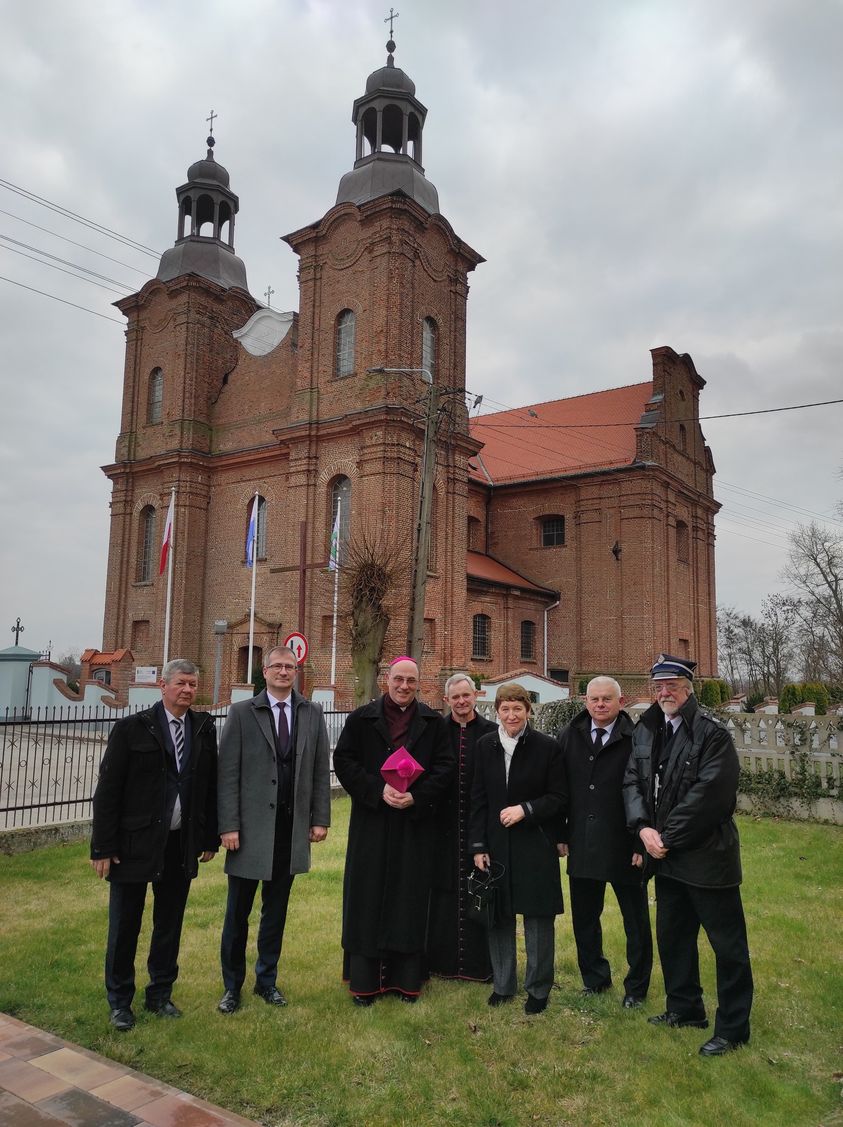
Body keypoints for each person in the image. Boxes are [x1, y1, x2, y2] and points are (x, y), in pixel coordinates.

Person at [623, 654, 753, 1056]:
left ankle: (733, 1028)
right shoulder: (647, 730)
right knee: (673, 937)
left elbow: (710, 796)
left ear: (688, 688)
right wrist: (643, 828)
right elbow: (632, 781)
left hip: (706, 856)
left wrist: (666, 837)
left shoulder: (711, 734)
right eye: (659, 686)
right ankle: (685, 1008)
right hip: (665, 856)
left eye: (673, 686)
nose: (665, 693)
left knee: (727, 947)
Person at [90, 658, 218, 1031]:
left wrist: (208, 838)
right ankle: (120, 1001)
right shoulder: (133, 729)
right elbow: (108, 791)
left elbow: (207, 789)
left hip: (180, 843)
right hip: (134, 843)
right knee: (125, 923)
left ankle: (160, 993)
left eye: (193, 684)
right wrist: (102, 846)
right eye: (181, 683)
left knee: (169, 923)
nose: (188, 690)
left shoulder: (202, 729)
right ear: (163, 685)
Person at [333, 656, 455, 1004]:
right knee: (367, 898)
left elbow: (445, 768)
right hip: (372, 823)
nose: (404, 687)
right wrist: (375, 790)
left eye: (411, 682)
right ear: (387, 679)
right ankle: (365, 983)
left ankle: (405, 981)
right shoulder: (361, 718)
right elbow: (344, 761)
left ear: (419, 684)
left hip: (414, 826)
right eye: (399, 679)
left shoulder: (433, 722)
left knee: (409, 898)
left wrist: (416, 797)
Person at [216, 645, 331, 1013]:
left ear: (296, 672)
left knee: (275, 913)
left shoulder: (311, 713)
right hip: (248, 832)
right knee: (238, 914)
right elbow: (228, 773)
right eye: (277, 666)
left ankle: (267, 980)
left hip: (290, 829)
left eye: (290, 667)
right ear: (263, 671)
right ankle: (232, 987)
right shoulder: (241, 713)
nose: (284, 672)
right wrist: (229, 825)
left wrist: (319, 818)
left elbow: (318, 769)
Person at [469, 682, 566, 1014]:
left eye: (518, 708)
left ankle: (538, 989)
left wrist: (525, 810)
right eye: (505, 709)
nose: (511, 715)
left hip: (535, 842)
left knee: (538, 918)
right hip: (496, 844)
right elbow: (478, 798)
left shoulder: (547, 747)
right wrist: (478, 844)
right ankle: (503, 984)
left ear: (528, 711)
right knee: (499, 915)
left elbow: (558, 798)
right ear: (497, 711)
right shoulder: (485, 746)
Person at [556, 676, 652, 1007]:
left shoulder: (638, 738)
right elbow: (559, 787)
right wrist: (559, 833)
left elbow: (647, 791)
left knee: (635, 921)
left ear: (620, 701)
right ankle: (595, 979)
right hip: (582, 840)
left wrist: (642, 842)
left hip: (625, 843)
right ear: (585, 701)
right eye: (594, 699)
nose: (600, 705)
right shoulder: (571, 735)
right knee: (585, 917)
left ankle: (636, 988)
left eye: (606, 699)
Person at [427, 673, 496, 982]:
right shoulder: (434, 731)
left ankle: (479, 966)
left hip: (479, 825)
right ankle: (442, 963)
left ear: (476, 696)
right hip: (442, 826)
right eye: (455, 697)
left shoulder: (491, 733)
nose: (461, 701)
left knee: (478, 891)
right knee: (443, 894)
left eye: (466, 695)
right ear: (446, 700)